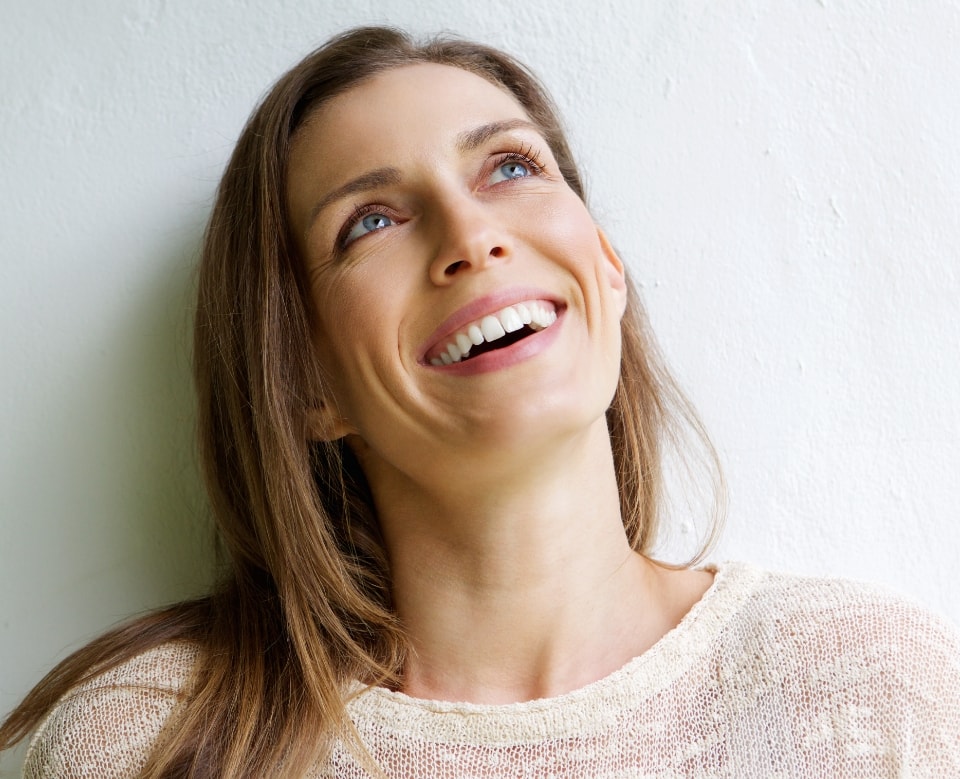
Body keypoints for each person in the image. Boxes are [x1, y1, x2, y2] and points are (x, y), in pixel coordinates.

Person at [1, 25, 958, 779]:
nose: (473, 234)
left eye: (510, 167)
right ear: (304, 382)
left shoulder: (872, 692)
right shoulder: (145, 745)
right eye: (371, 221)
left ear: (607, 268)